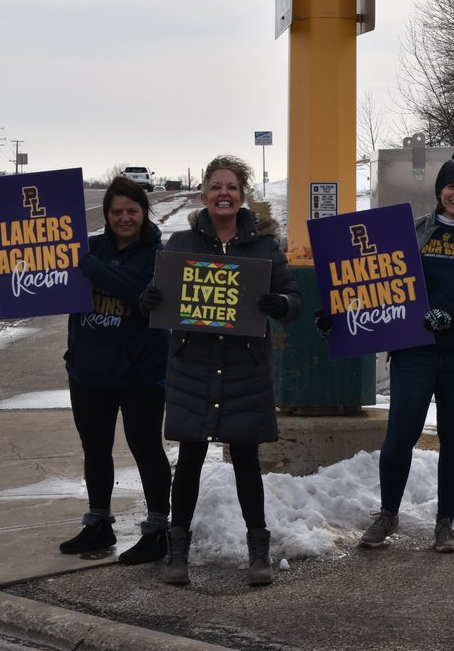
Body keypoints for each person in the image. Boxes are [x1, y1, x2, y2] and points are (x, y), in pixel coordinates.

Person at [0, 177, 172, 563]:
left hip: (141, 372)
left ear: (144, 212)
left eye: (131, 211)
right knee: (95, 449)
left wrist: (90, 267)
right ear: (106, 214)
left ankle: (157, 531)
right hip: (88, 370)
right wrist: (3, 261)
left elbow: (139, 294)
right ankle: (98, 525)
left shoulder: (158, 254)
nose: (124, 218)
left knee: (147, 448)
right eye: (116, 211)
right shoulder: (88, 247)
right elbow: (25, 275)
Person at [139, 155, 302, 586]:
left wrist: (280, 304)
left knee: (246, 458)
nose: (223, 194)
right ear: (204, 195)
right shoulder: (181, 246)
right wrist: (150, 301)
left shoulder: (265, 248)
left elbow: (294, 300)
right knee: (190, 457)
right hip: (194, 366)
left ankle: (258, 555)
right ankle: (178, 555)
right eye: (216, 187)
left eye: (231, 187)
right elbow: (158, 296)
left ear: (242, 196)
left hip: (244, 370)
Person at [355, 151, 454, 553]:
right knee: (400, 434)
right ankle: (387, 516)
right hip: (414, 350)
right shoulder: (414, 231)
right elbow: (373, 279)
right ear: (439, 192)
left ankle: (444, 524)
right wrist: (337, 312)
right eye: (450, 187)